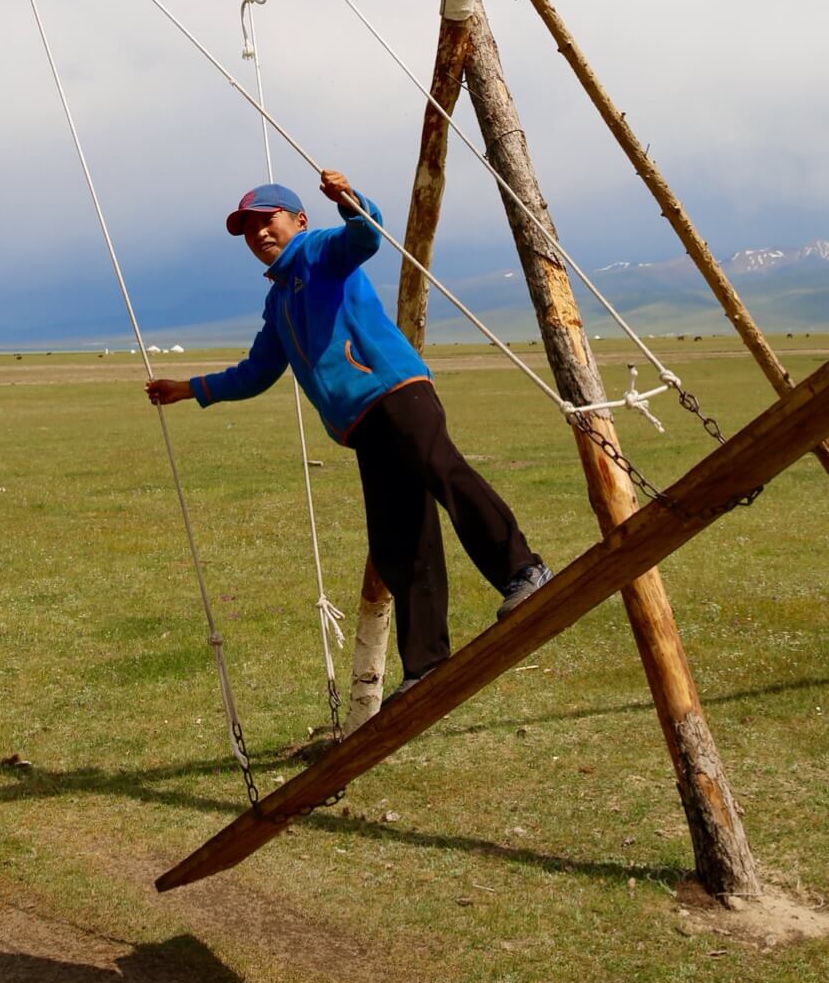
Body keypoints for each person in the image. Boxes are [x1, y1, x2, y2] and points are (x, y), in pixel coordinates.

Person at [145, 170, 551, 694]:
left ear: (299, 220)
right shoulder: (279, 302)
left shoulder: (320, 251)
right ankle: (427, 664)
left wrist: (350, 200)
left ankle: (525, 571)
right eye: (248, 230)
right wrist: (190, 388)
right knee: (399, 539)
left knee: (444, 474)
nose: (258, 235)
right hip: (361, 424)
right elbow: (256, 372)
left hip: (395, 391)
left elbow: (366, 235)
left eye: (266, 221)